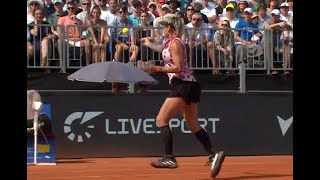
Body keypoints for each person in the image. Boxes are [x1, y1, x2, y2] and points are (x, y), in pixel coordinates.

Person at [140, 13, 225, 178]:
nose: (162, 29)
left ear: (169, 27)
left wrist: (156, 69)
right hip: (189, 85)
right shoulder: (171, 43)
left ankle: (169, 158)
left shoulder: (176, 43)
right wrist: (149, 43)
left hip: (183, 85)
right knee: (193, 124)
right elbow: (164, 51)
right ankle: (213, 154)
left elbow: (177, 67)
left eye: (163, 26)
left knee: (161, 120)